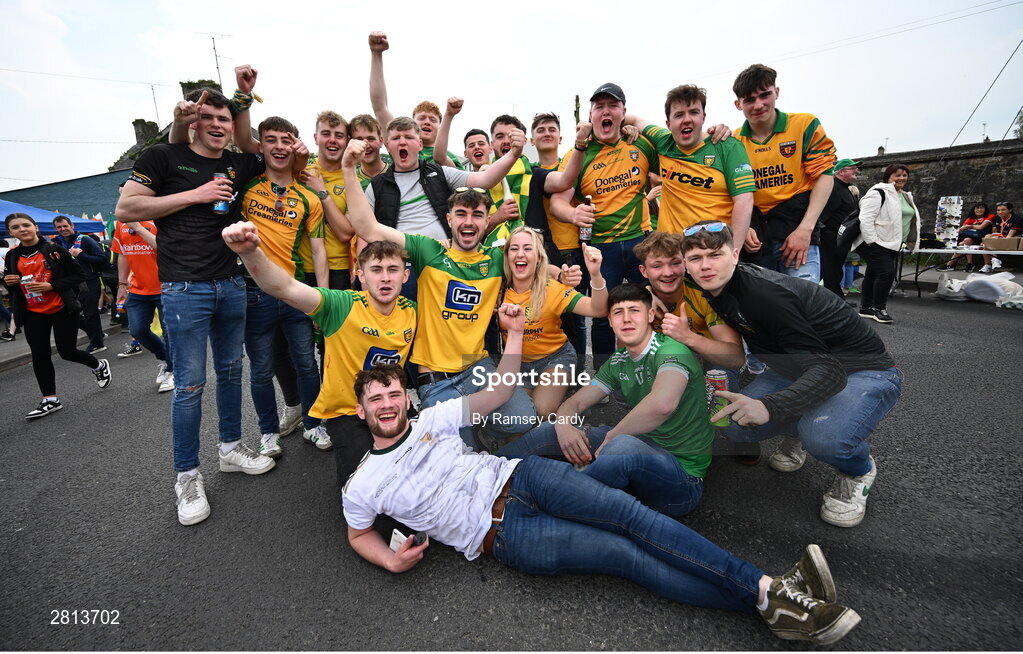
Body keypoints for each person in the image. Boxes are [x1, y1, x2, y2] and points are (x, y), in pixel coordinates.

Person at [342, 361, 861, 645]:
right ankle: (770, 600)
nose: (387, 406)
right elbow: (358, 533)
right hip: (502, 533)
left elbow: (498, 396)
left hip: (525, 475)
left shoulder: (431, 419)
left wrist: (516, 333)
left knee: (634, 516)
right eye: (376, 401)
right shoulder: (363, 484)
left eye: (393, 396)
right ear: (362, 412)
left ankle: (767, 589)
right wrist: (389, 558)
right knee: (625, 555)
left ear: (406, 400)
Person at [341, 142, 582, 449]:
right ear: (450, 219)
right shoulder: (427, 250)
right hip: (437, 380)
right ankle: (474, 434)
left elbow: (530, 258)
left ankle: (484, 429)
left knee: (523, 418)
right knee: (458, 454)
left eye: (477, 215)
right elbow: (365, 225)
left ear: (486, 222)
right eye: (461, 214)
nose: (469, 222)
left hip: (477, 369)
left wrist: (561, 273)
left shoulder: (496, 259)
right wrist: (348, 169)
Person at [116, 82, 278, 527]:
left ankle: (230, 449)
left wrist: (245, 98)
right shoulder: (163, 157)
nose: (217, 126)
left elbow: (259, 146)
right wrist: (197, 194)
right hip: (184, 288)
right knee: (188, 385)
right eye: (208, 118)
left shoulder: (237, 163)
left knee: (231, 372)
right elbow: (126, 208)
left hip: (231, 283)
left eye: (224, 119)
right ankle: (187, 477)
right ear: (191, 122)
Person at [683, 221, 903, 528]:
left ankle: (858, 470)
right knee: (735, 425)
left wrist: (771, 406)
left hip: (862, 369)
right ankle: (799, 425)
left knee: (824, 437)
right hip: (800, 367)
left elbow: (829, 371)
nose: (705, 266)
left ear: (734, 255)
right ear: (686, 265)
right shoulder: (717, 287)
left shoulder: (762, 294)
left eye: (714, 255)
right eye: (695, 258)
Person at [220, 223, 417, 494]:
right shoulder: (341, 306)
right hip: (347, 411)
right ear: (360, 274)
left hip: (391, 405)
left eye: (392, 270)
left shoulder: (412, 311)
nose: (385, 278)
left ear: (405, 276)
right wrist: (250, 253)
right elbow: (283, 287)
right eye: (376, 270)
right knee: (362, 488)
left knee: (420, 469)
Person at [498, 281, 715, 519]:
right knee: (552, 430)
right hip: (640, 446)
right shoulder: (619, 360)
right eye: (618, 313)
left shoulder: (671, 350)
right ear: (610, 321)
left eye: (635, 311)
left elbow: (662, 405)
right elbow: (576, 403)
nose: (627, 319)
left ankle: (553, 502)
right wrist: (563, 424)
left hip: (682, 478)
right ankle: (488, 468)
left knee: (620, 447)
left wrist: (613, 436)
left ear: (651, 315)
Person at [235, 116, 330, 457]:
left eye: (285, 140)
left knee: (305, 362)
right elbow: (217, 214)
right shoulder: (244, 187)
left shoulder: (309, 198)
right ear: (261, 145)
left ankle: (314, 425)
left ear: (295, 146)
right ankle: (268, 432)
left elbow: (318, 250)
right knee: (260, 370)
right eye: (271, 139)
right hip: (251, 291)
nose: (278, 146)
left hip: (295, 291)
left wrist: (321, 298)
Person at [549, 83, 659, 370]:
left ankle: (646, 369)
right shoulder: (579, 154)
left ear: (623, 112)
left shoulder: (640, 144)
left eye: (613, 106)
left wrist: (634, 124)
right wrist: (573, 216)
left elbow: (676, 157)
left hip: (640, 242)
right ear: (590, 115)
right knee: (602, 316)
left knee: (646, 309)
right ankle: (604, 374)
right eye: (599, 107)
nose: (606, 112)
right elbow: (557, 203)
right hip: (602, 249)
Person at [732, 64, 837, 282]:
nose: (759, 105)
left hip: (797, 234)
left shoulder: (804, 124)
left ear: (776, 92)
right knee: (764, 310)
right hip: (757, 242)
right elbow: (727, 191)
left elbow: (825, 175)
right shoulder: (733, 141)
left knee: (804, 307)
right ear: (738, 104)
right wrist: (744, 228)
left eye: (765, 95)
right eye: (749, 100)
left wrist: (805, 230)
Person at [3, 213, 112, 420]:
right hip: (33, 310)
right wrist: (10, 282)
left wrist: (51, 285)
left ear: (36, 227)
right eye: (16, 227)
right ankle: (50, 399)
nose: (22, 229)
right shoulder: (12, 256)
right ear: (10, 232)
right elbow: (14, 284)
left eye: (26, 225)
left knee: (67, 351)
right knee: (39, 354)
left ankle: (99, 365)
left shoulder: (54, 250)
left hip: (62, 307)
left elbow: (78, 276)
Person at [623, 84, 756, 247]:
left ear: (703, 117)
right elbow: (633, 119)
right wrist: (623, 128)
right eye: (679, 115)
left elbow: (744, 201)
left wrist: (732, 252)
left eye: (693, 112)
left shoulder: (727, 146)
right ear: (668, 123)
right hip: (672, 255)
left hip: (713, 254)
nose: (687, 119)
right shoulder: (664, 141)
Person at [498, 226, 606, 416]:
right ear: (506, 256)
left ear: (539, 257)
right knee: (516, 419)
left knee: (541, 411)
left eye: (528, 248)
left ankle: (569, 408)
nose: (520, 254)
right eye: (514, 249)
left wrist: (595, 275)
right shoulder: (498, 291)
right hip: (518, 365)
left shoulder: (552, 289)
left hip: (555, 359)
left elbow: (598, 309)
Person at [635, 232, 744, 371]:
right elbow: (628, 359)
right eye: (657, 266)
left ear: (685, 264)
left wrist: (687, 337)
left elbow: (736, 358)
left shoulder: (705, 295)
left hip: (707, 366)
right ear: (644, 271)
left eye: (675, 263)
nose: (668, 273)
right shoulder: (635, 302)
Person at [368, 31, 464, 169]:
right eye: (422, 118)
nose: (426, 122)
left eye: (433, 119)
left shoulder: (450, 157)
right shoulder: (400, 146)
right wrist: (376, 54)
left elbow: (445, 164)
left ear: (440, 127)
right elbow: (379, 106)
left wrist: (449, 114)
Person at [111, 194, 173, 393]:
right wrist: (121, 284)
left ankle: (173, 371)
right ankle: (165, 358)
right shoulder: (121, 224)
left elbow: (164, 248)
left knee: (170, 333)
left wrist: (138, 227)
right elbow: (122, 255)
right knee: (137, 330)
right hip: (138, 288)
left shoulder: (160, 218)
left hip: (166, 285)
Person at [853, 163, 921, 324]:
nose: (902, 178)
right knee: (886, 273)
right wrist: (871, 241)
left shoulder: (905, 195)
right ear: (888, 177)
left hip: (893, 242)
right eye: (897, 175)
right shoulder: (878, 192)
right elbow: (866, 218)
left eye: (904, 175)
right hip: (876, 241)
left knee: (873, 273)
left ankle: (866, 308)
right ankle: (879, 309)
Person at [50, 215, 108, 353]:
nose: (63, 229)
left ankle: (97, 343)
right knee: (72, 312)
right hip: (70, 283)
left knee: (90, 313)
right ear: (55, 229)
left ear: (72, 226)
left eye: (65, 226)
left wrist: (80, 255)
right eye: (59, 227)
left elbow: (102, 259)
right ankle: (96, 334)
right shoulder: (56, 243)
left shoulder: (85, 240)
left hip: (88, 281)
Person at [820, 159, 861, 296]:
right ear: (841, 171)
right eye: (852, 168)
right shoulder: (833, 187)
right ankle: (834, 300)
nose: (856, 170)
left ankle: (835, 299)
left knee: (836, 270)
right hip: (832, 236)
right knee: (831, 270)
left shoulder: (846, 188)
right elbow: (824, 213)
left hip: (841, 237)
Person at [977, 202, 1020, 273]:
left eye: (1003, 210)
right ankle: (989, 264)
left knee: (990, 242)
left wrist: (994, 238)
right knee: (986, 240)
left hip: (1015, 239)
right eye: (998, 210)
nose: (1000, 212)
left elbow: (1010, 236)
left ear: (1010, 210)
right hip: (1002, 238)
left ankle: (994, 260)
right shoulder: (997, 218)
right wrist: (990, 236)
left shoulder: (1016, 219)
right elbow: (996, 232)